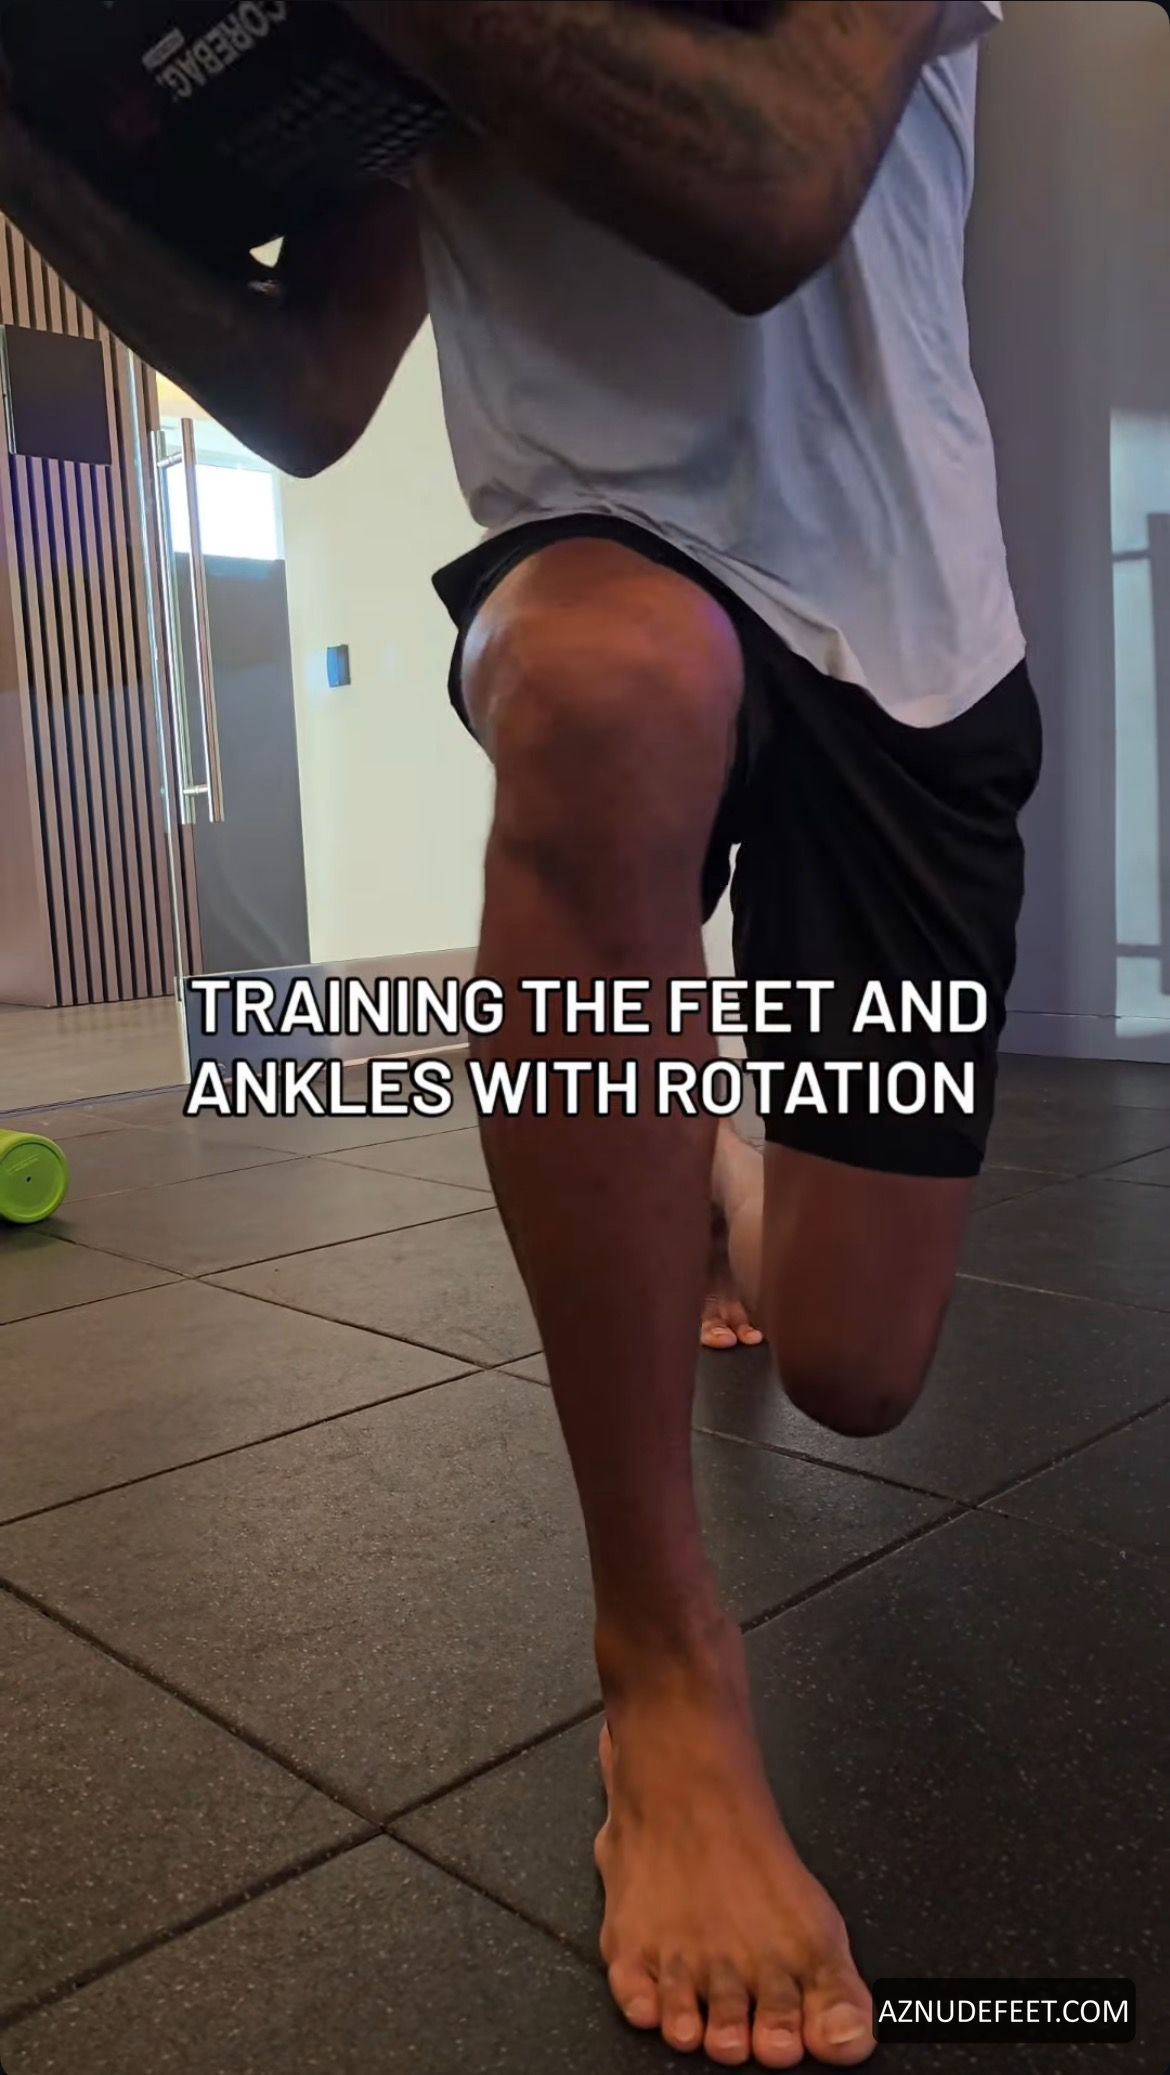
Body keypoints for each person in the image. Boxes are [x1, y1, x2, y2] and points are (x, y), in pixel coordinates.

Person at [0, 3, 1041, 2063]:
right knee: (599, 685)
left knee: (851, 1372)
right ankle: (662, 1671)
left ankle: (718, 1161)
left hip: (913, 649)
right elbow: (314, 388)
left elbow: (772, 190)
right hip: (598, 550)